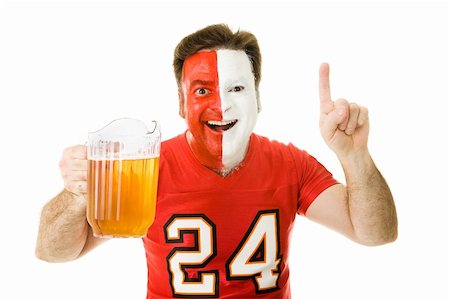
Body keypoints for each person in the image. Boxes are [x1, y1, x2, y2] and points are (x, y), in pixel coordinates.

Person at [36, 24, 398, 298]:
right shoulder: (149, 167)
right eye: (202, 90)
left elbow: (376, 233)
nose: (221, 105)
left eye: (236, 89)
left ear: (258, 98)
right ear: (181, 103)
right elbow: (53, 252)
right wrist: (78, 193)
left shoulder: (290, 164)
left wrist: (355, 156)